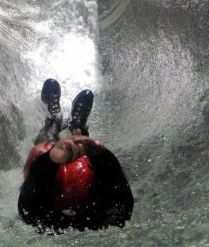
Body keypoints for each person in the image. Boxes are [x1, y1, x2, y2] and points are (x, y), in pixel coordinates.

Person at [18, 78, 134, 232]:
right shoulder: (101, 214)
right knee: (76, 146)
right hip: (69, 186)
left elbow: (26, 203)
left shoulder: (40, 216)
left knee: (41, 150)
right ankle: (78, 128)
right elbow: (124, 202)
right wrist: (99, 155)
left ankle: (54, 118)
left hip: (44, 183)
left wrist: (51, 158)